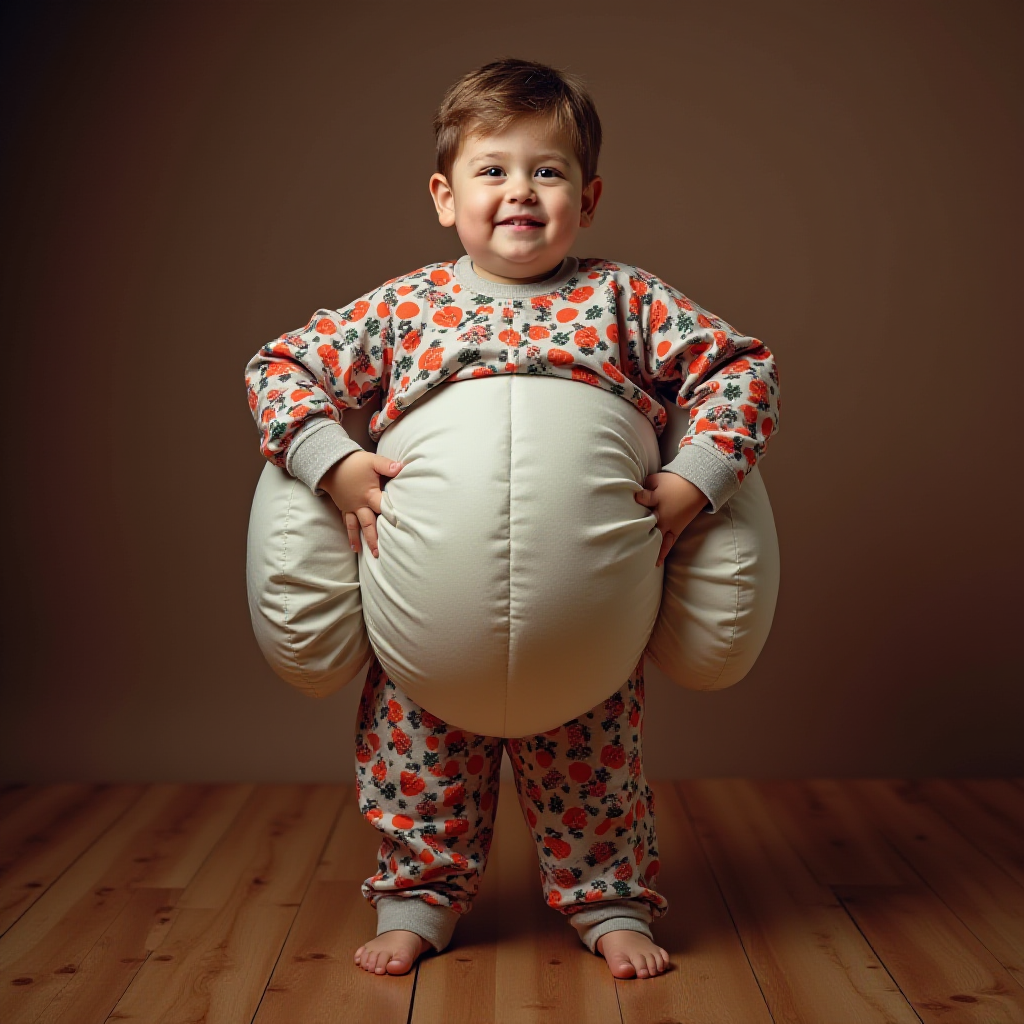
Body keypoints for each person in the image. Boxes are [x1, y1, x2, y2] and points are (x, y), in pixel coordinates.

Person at [243, 57, 780, 981]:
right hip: (425, 612)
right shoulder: (408, 306)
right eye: (493, 171)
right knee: (420, 759)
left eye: (548, 171)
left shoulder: (625, 298)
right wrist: (331, 463)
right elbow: (276, 369)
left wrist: (697, 476)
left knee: (593, 770)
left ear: (590, 195)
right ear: (445, 197)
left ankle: (610, 902)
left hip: (588, 613)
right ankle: (418, 899)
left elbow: (744, 368)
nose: (520, 192)